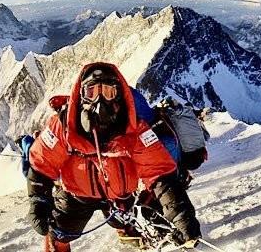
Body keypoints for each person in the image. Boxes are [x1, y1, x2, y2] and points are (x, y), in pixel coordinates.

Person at [25, 62, 201, 251]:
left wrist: (183, 217)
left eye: (108, 92)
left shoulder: (135, 130)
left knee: (126, 220)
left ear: (119, 96)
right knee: (60, 232)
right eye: (92, 92)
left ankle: (126, 230)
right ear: (81, 95)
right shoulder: (65, 125)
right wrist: (38, 200)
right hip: (77, 196)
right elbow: (42, 163)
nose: (100, 101)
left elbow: (159, 175)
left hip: (120, 196)